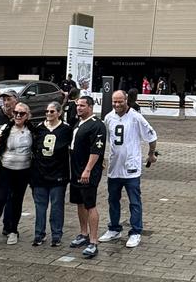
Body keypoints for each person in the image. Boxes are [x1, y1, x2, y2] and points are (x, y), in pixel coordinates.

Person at [99, 90, 158, 249]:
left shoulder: (136, 117)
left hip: (131, 167)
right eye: (114, 102)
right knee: (113, 200)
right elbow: (104, 139)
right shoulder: (108, 117)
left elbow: (152, 137)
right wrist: (101, 158)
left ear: (126, 100)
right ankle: (114, 229)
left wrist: (151, 154)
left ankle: (136, 231)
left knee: (134, 201)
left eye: (120, 102)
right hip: (114, 167)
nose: (117, 105)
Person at [0, 102, 34, 245]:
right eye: (16, 112)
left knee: (17, 202)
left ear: (27, 116)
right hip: (5, 169)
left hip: (23, 170)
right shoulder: (6, 128)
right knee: (0, 199)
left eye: (22, 113)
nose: (18, 115)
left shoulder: (32, 130)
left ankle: (13, 230)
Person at [67, 96, 107, 258]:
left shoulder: (97, 125)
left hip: (87, 173)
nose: (79, 108)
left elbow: (96, 150)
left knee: (90, 204)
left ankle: (93, 241)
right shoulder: (79, 123)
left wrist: (88, 170)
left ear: (90, 107)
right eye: (77, 105)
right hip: (75, 171)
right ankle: (83, 234)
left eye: (82, 106)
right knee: (80, 203)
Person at [31, 100, 73, 247]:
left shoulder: (66, 129)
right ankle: (39, 234)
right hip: (40, 173)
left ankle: (56, 235)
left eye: (52, 111)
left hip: (58, 174)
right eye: (47, 111)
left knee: (56, 206)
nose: (49, 114)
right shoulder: (39, 128)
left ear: (59, 113)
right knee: (40, 206)